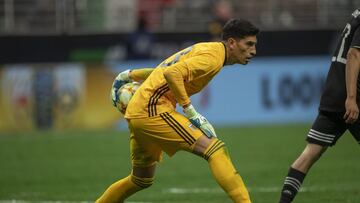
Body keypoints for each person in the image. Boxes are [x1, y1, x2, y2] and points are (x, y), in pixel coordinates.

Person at [96, 18, 259, 203]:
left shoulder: (208, 49)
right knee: (215, 150)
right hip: (152, 109)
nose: (253, 51)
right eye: (249, 44)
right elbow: (171, 73)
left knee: (140, 179)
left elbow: (163, 70)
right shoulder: (212, 58)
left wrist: (130, 74)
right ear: (231, 43)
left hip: (139, 111)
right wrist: (190, 111)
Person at [278, 8, 360, 203]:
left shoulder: (357, 14)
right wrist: (351, 97)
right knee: (310, 153)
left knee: (310, 154)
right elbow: (354, 54)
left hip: (334, 93)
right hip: (352, 95)